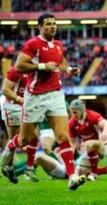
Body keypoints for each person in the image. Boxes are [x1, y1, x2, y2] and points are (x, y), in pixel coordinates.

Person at [0, 13, 85, 190]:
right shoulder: (33, 44)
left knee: (63, 136)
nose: (52, 26)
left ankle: (72, 176)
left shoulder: (58, 45)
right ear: (40, 27)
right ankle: (10, 146)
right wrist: (41, 66)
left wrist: (69, 69)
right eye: (48, 24)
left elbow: (60, 61)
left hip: (55, 94)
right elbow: (19, 66)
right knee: (24, 140)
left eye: (54, 24)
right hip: (35, 96)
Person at [68, 99, 107, 181]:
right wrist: (70, 157)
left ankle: (94, 173)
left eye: (75, 112)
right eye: (72, 112)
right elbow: (71, 143)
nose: (73, 115)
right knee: (80, 172)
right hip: (89, 149)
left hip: (104, 145)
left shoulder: (92, 116)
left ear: (81, 111)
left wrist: (105, 133)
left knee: (87, 144)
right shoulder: (72, 123)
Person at [0, 66, 28, 183]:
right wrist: (18, 99)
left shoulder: (35, 71)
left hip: (25, 106)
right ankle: (9, 168)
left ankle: (8, 167)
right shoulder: (16, 70)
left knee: (20, 139)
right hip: (12, 106)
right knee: (14, 139)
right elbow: (5, 90)